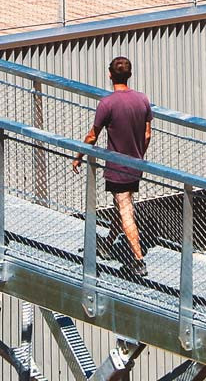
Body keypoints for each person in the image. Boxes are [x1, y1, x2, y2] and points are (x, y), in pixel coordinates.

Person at [74, 56, 152, 277]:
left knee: (125, 208)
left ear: (110, 75)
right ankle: (108, 243)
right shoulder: (143, 100)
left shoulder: (107, 103)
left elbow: (92, 136)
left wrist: (79, 156)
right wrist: (138, 155)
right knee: (122, 205)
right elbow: (147, 134)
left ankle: (138, 260)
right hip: (135, 163)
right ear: (129, 74)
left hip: (117, 167)